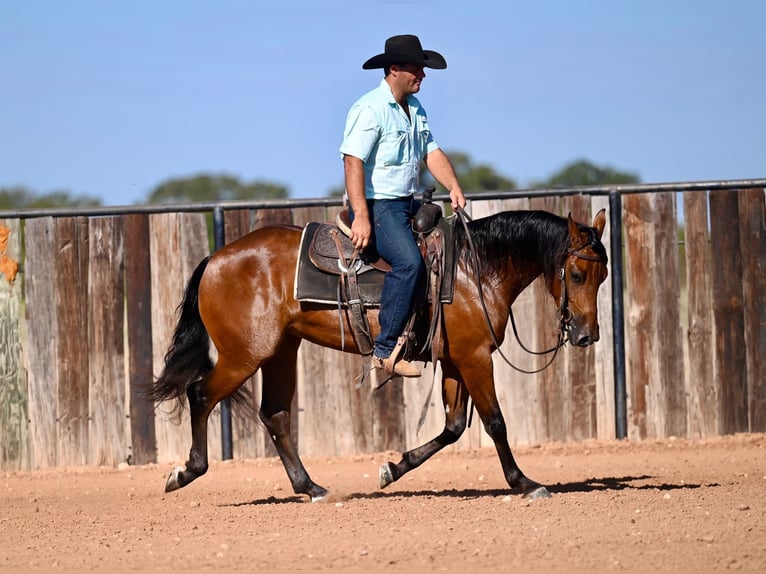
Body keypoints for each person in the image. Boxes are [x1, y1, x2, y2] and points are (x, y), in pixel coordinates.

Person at [339, 34, 467, 378]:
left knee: (448, 248)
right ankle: (384, 350)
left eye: (423, 69)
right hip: (377, 206)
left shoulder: (416, 109)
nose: (422, 75)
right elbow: (353, 162)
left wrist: (452, 185)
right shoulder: (370, 108)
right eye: (416, 69)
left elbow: (432, 152)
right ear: (394, 69)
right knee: (409, 262)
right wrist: (361, 216)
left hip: (406, 202)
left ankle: (428, 332)